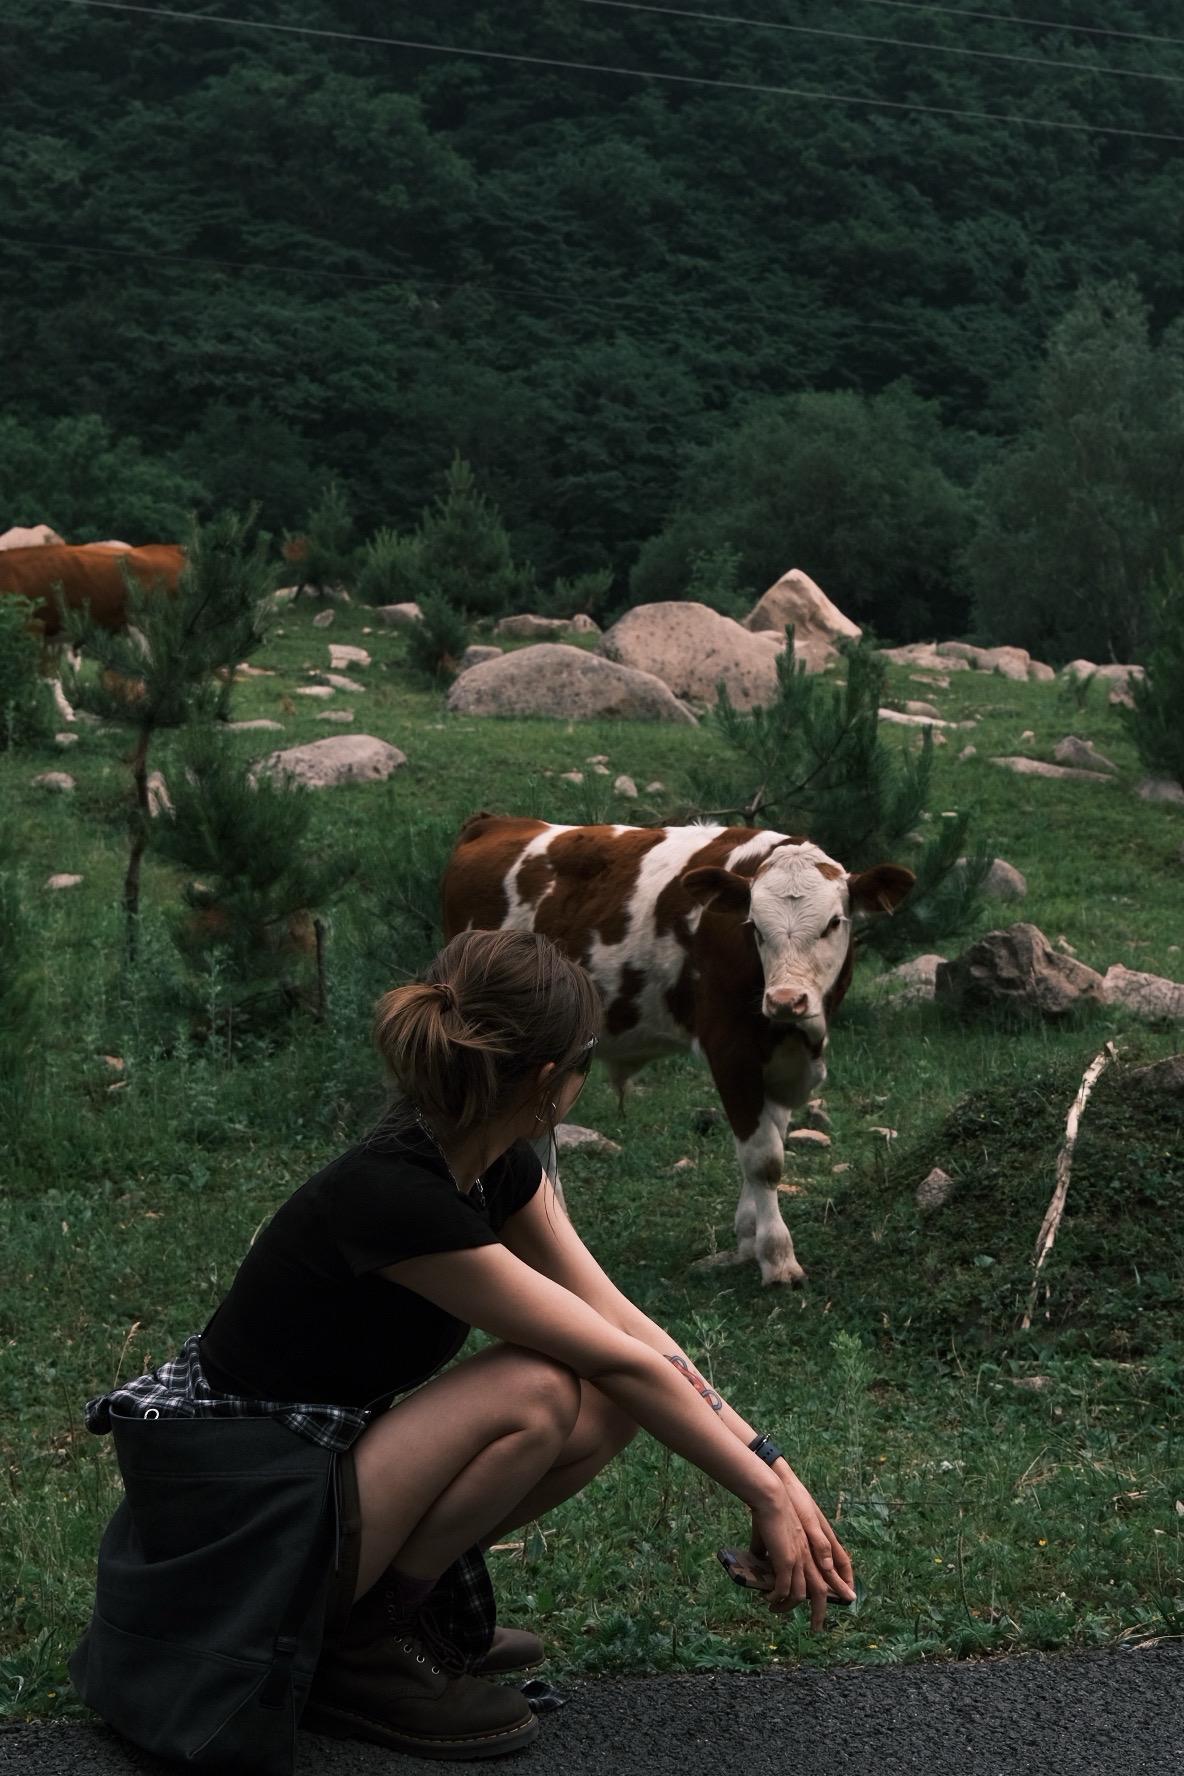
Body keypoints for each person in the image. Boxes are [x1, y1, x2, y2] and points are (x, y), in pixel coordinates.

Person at [73, 927, 855, 1764]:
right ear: (553, 1081)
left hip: (309, 1469)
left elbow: (631, 1331)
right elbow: (615, 1357)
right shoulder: (394, 1195)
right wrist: (767, 1498)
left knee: (609, 1402)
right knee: (543, 1388)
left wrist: (775, 1471)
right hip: (239, 1517)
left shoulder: (492, 1162)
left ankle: (393, 1611)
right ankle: (360, 1650)